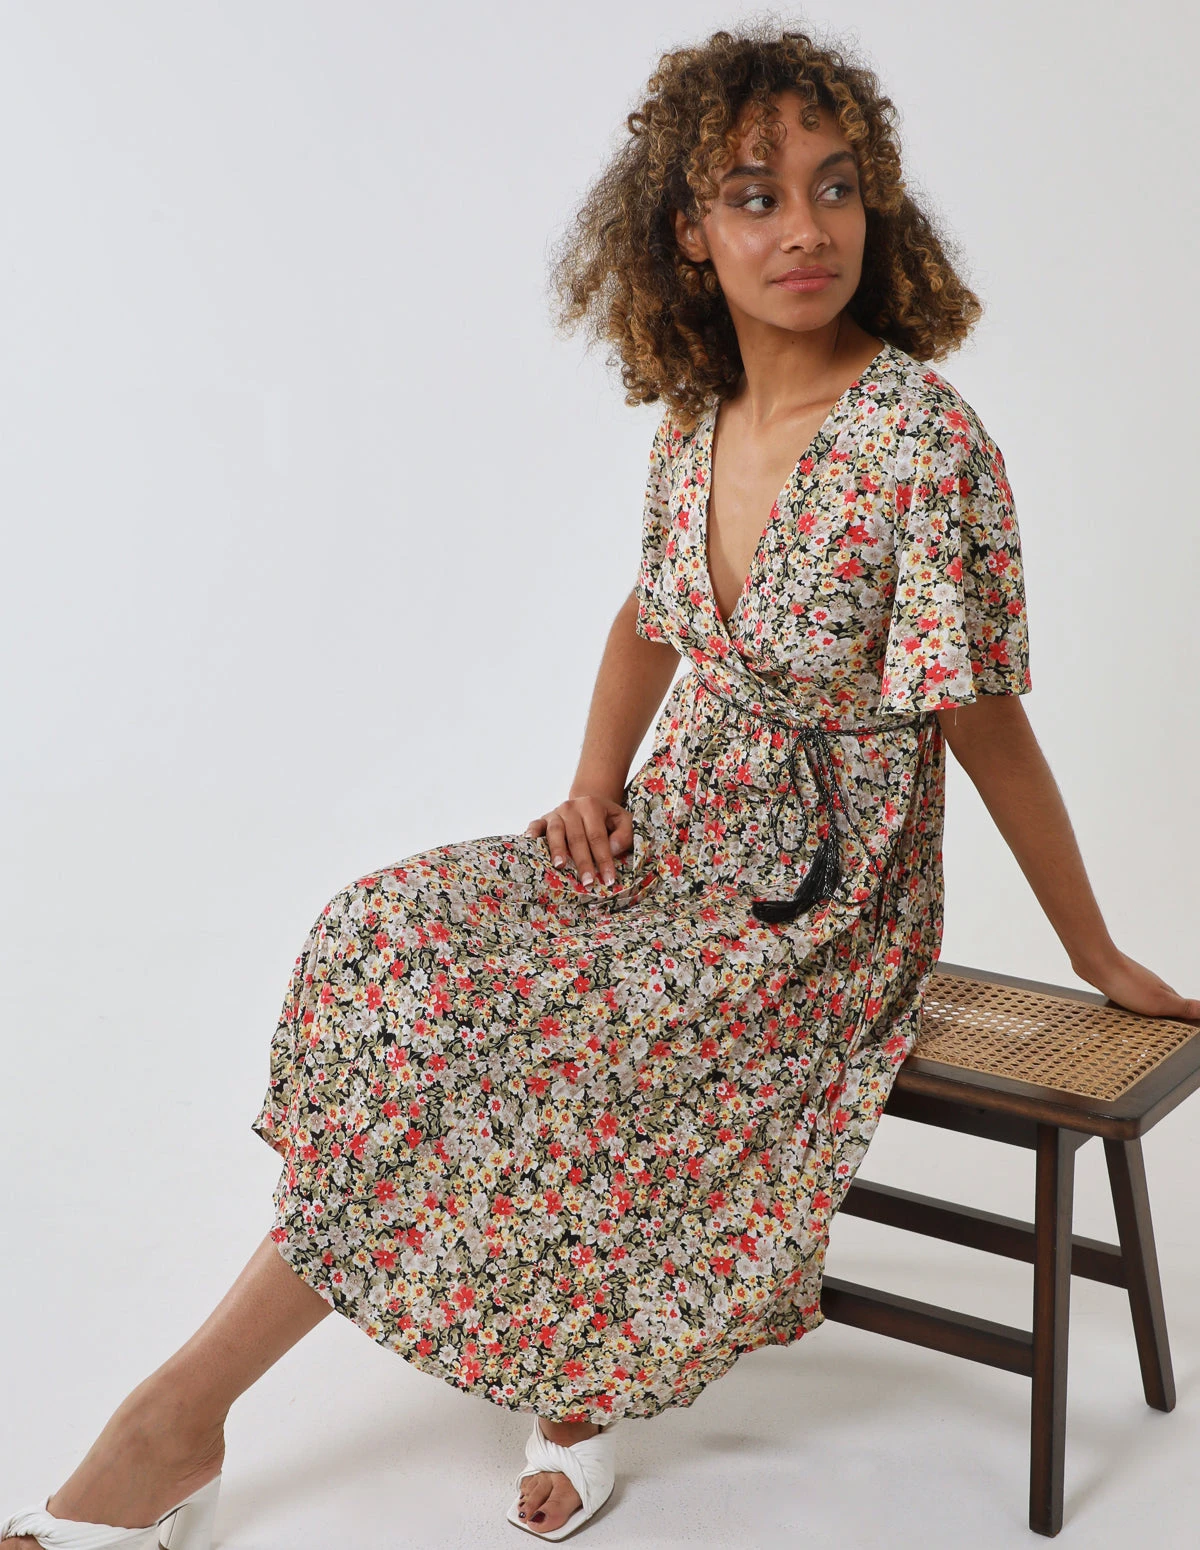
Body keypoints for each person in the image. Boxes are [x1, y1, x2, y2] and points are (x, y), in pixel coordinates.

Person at [6, 23, 1198, 1550]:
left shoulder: (923, 441)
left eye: (835, 188)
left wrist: (1098, 950)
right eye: (756, 197)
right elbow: (650, 616)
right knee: (391, 941)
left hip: (814, 899)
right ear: (689, 232)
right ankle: (529, 1359)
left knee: (557, 1027)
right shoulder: (698, 417)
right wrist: (593, 781)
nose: (806, 227)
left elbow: (985, 720)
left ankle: (198, 1418)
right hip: (673, 826)